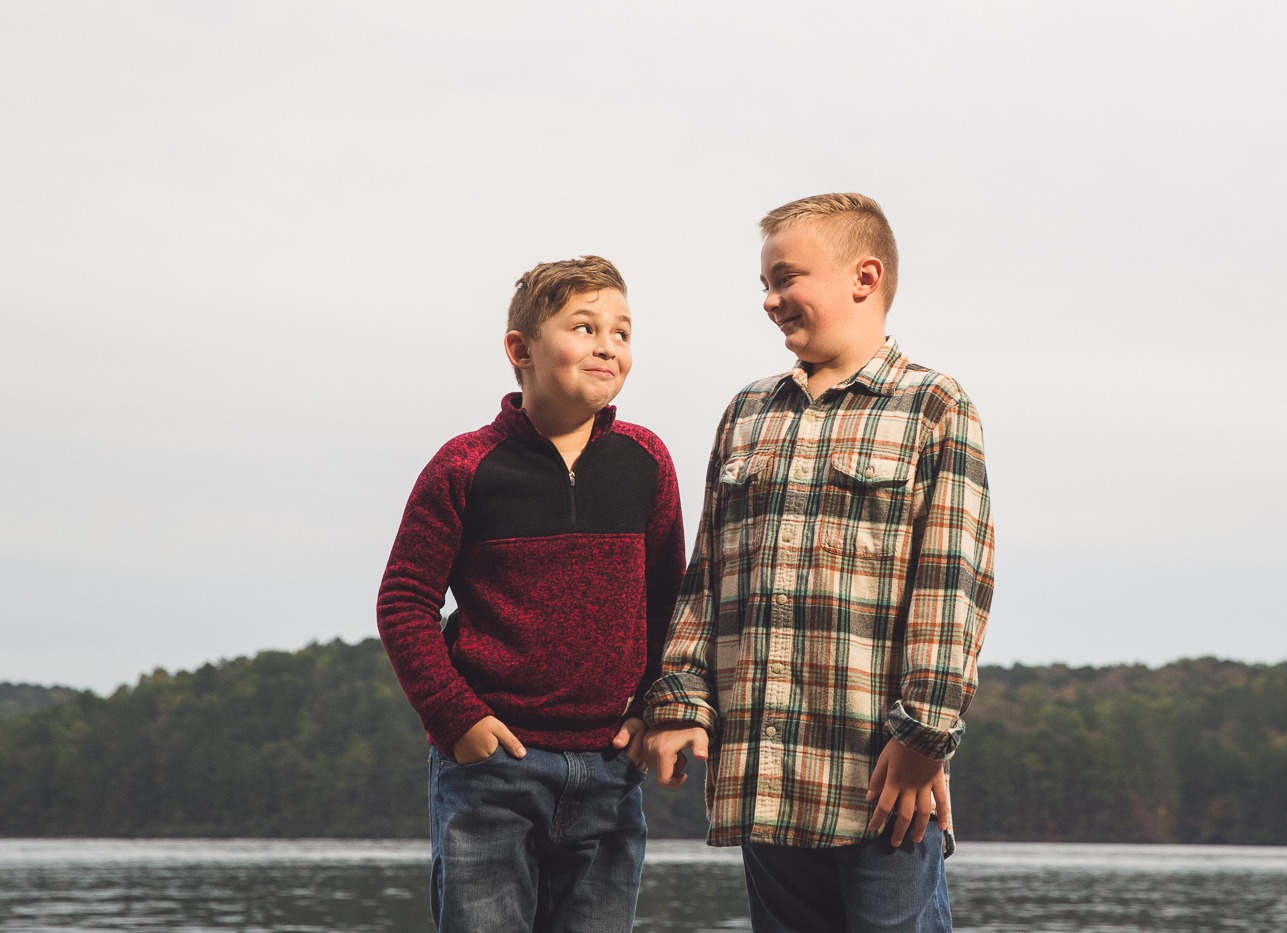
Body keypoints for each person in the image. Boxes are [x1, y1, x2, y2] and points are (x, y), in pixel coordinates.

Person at [643, 193, 995, 933]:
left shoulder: (932, 405)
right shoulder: (747, 414)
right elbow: (705, 581)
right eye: (764, 285)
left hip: (880, 779)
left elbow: (951, 584)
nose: (770, 300)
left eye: (785, 278)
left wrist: (921, 738)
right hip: (764, 780)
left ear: (863, 278)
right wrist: (679, 700)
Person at [376, 255, 685, 933]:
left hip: (611, 766)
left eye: (623, 331)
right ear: (520, 350)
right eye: (584, 326)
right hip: (493, 769)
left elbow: (671, 600)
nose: (608, 344)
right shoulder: (464, 466)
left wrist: (654, 707)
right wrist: (456, 718)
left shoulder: (646, 461)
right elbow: (403, 602)